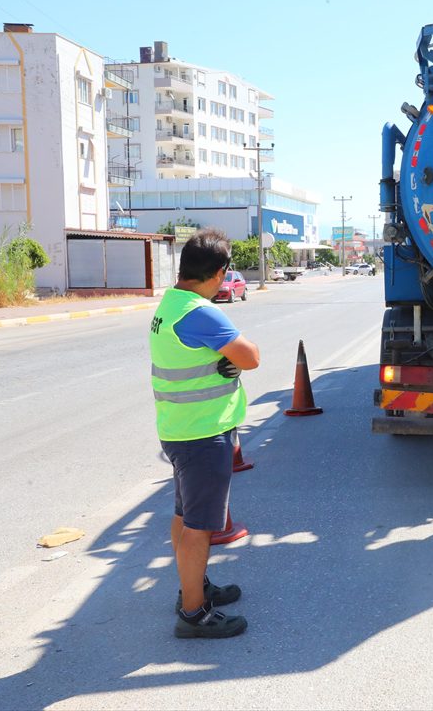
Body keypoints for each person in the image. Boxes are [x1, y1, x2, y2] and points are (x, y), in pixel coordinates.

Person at [150, 229, 260, 637]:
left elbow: (200, 357)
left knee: (184, 515)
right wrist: (230, 359)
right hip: (202, 434)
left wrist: (219, 361)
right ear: (220, 272)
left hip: (178, 430)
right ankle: (194, 614)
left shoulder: (171, 303)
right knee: (200, 526)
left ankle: (192, 587)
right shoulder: (200, 311)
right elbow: (251, 357)